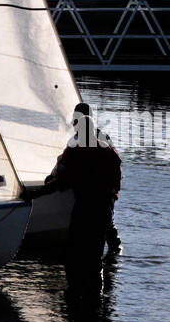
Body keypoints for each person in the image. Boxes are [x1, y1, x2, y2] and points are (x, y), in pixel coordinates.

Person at [25, 103, 122, 288]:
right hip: (102, 206)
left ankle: (76, 299)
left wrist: (37, 193)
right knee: (95, 257)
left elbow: (63, 176)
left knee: (75, 253)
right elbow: (116, 174)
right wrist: (112, 196)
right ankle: (97, 299)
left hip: (86, 207)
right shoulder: (105, 149)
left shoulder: (77, 149)